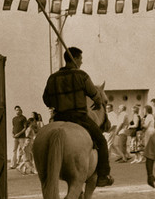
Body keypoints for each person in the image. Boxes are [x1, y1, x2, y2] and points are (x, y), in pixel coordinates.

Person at [42, 46, 113, 186]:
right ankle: (103, 176)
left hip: (58, 117)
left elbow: (46, 100)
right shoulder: (82, 75)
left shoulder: (53, 78)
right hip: (78, 117)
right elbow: (96, 96)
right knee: (102, 141)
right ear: (74, 59)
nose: (81, 62)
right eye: (80, 58)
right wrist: (98, 102)